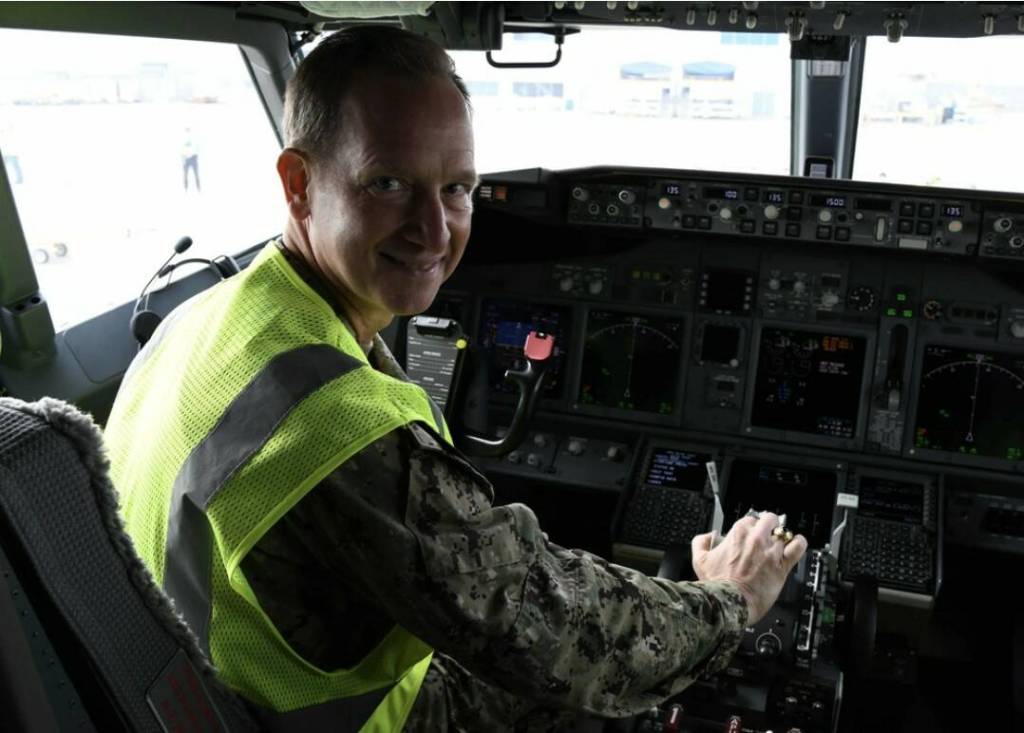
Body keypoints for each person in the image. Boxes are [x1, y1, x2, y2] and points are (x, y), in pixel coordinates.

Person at [104, 25, 807, 731]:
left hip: (207, 692)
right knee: (616, 696)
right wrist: (729, 598)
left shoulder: (203, 318)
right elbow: (571, 636)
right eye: (388, 184)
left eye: (457, 188)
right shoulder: (332, 427)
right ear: (299, 184)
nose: (435, 231)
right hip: (317, 718)